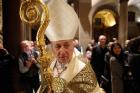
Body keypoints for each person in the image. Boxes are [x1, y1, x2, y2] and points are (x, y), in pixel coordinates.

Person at [37, 0, 105, 93]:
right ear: (52, 47)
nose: (62, 50)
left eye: (66, 45)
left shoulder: (83, 70)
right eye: (58, 46)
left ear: (73, 45)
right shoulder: (50, 66)